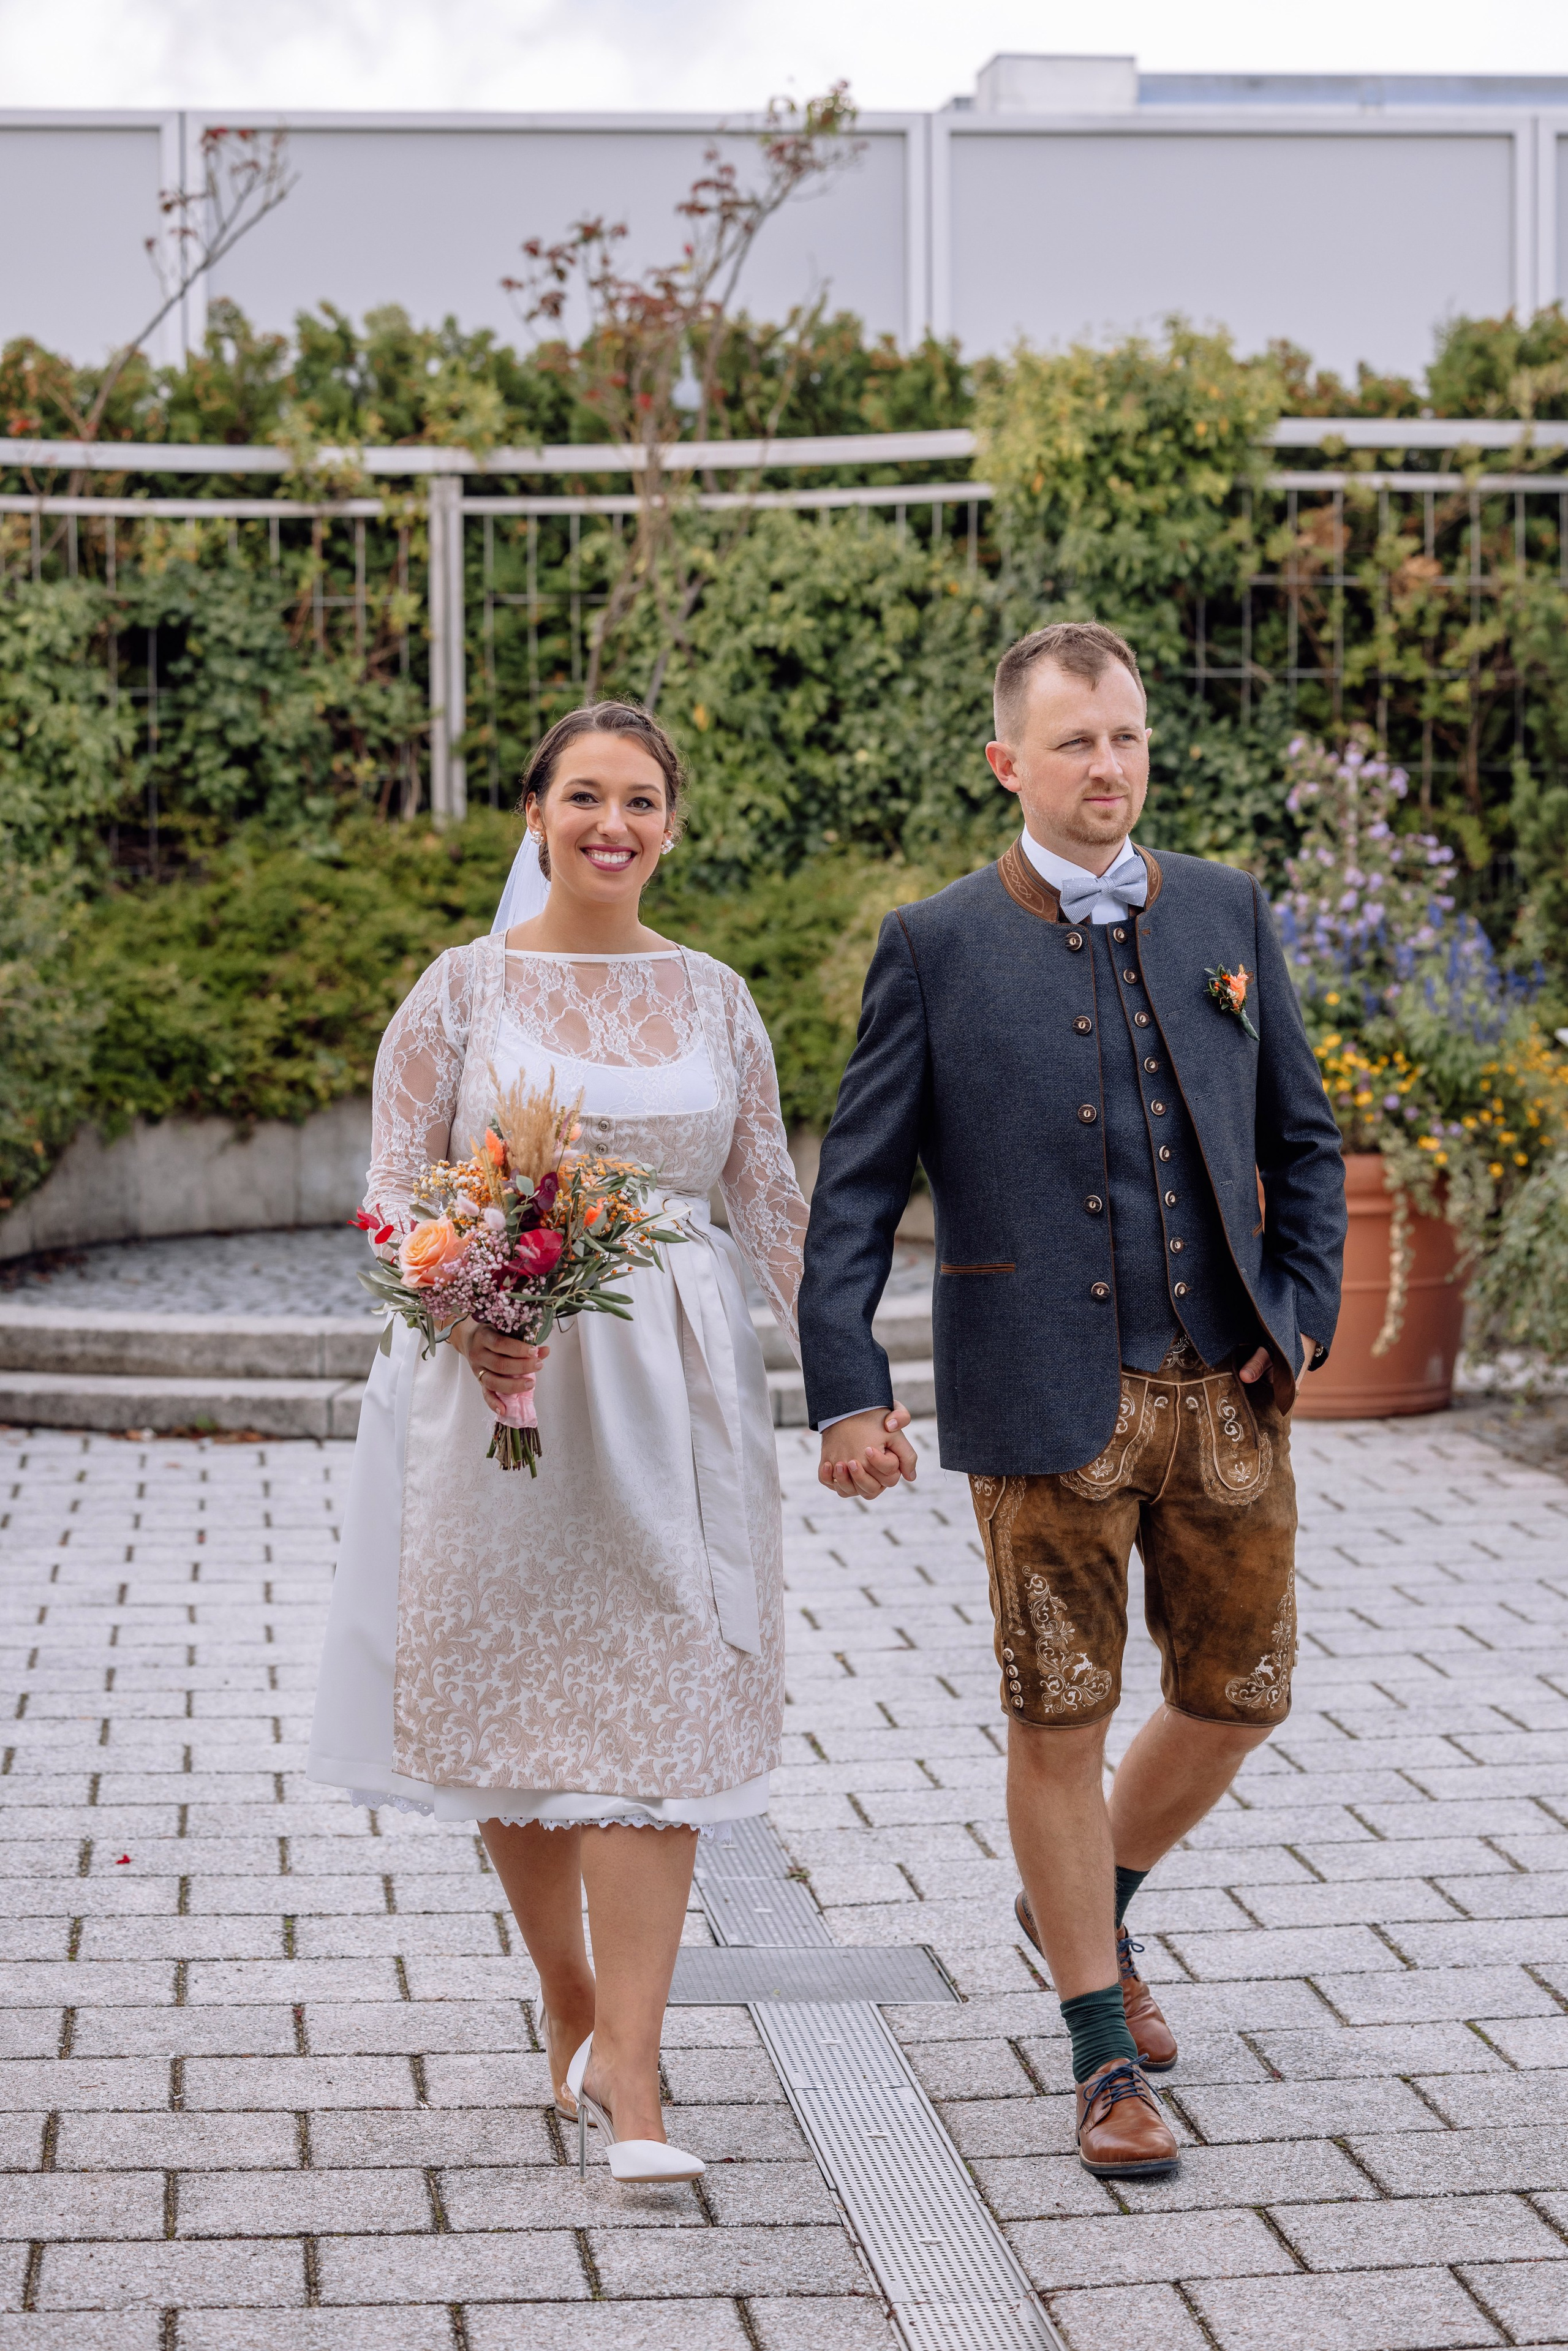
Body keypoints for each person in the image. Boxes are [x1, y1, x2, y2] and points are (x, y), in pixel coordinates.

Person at [309, 701, 902, 2183]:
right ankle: (568, 1997)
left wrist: (852, 1389)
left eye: (641, 799)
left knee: (662, 1702)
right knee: (526, 1706)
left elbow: (776, 1203)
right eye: (583, 795)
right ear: (533, 813)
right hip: (500, 1385)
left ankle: (635, 2075)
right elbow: (391, 1191)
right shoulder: (457, 992)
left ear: (671, 825)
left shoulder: (714, 997)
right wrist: (464, 1308)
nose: (611, 824)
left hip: (679, 1390)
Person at [797, 622, 1346, 2179]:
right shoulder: (934, 942)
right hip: (1037, 1395)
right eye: (1074, 743)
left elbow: (1304, 1141)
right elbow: (852, 1194)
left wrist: (1294, 1317)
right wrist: (849, 1388)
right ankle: (1099, 2052)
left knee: (1240, 1694)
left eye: (1125, 739)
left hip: (1226, 1386)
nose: (1106, 767)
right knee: (1058, 1714)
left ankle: (1081, 1900)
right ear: (1006, 762)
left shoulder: (1226, 911)